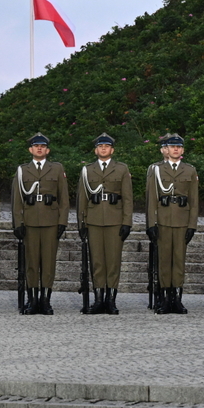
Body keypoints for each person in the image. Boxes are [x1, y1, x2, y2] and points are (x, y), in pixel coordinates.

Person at [12, 132, 70, 315]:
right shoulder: (22, 170)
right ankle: (32, 300)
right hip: (29, 221)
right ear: (30, 149)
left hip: (50, 221)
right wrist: (18, 223)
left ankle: (45, 300)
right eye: (36, 146)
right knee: (31, 262)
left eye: (43, 146)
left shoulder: (57, 168)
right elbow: (16, 200)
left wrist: (62, 222)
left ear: (48, 150)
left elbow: (64, 198)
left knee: (48, 262)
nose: (39, 148)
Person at [77, 133, 133, 315]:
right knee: (97, 261)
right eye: (100, 146)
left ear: (112, 150)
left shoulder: (122, 169)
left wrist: (127, 222)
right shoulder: (87, 170)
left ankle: (111, 299)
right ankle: (98, 299)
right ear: (96, 150)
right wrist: (81, 223)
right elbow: (82, 199)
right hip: (93, 220)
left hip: (115, 220)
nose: (103, 149)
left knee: (113, 261)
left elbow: (127, 198)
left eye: (107, 146)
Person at [145, 133, 198, 314]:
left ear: (182, 150)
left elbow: (194, 200)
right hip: (163, 220)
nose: (176, 149)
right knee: (164, 261)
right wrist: (151, 223)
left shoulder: (189, 170)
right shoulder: (156, 170)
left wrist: (192, 225)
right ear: (165, 150)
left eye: (179, 147)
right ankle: (164, 298)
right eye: (172, 146)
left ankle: (177, 298)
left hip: (182, 221)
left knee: (179, 261)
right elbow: (151, 199)